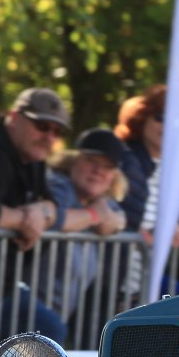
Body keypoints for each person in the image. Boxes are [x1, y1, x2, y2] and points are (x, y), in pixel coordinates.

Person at [0, 86, 72, 343]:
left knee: (49, 331)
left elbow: (51, 203)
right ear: (13, 118)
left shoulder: (33, 157)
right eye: (42, 126)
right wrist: (25, 219)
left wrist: (41, 211)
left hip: (2, 288)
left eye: (57, 131)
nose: (49, 136)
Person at [44, 128, 128, 320]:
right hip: (25, 310)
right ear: (73, 160)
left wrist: (112, 222)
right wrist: (93, 215)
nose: (98, 171)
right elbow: (52, 219)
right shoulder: (58, 186)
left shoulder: (99, 200)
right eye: (91, 161)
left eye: (108, 167)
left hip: (57, 317)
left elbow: (118, 218)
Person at [115, 84, 164, 235]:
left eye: (175, 120)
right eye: (160, 117)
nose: (167, 126)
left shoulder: (176, 171)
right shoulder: (125, 159)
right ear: (142, 118)